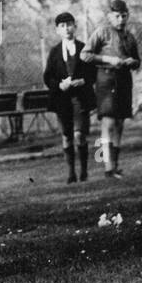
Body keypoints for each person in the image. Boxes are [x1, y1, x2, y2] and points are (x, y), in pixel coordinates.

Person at [86, 0, 142, 179]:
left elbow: (137, 60)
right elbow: (85, 54)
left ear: (128, 16)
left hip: (124, 80)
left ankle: (115, 166)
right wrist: (108, 60)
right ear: (109, 16)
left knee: (119, 123)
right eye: (116, 16)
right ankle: (107, 167)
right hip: (106, 80)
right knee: (108, 123)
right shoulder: (101, 33)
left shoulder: (130, 36)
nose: (120, 19)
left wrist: (133, 62)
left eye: (124, 16)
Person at [42, 11, 96, 184]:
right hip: (62, 100)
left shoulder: (84, 48)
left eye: (69, 25)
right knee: (66, 136)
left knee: (80, 134)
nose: (67, 29)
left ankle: (84, 172)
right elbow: (48, 76)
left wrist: (84, 81)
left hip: (80, 98)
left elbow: (93, 71)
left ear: (75, 26)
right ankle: (71, 173)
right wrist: (59, 85)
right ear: (57, 30)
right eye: (62, 26)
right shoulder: (55, 52)